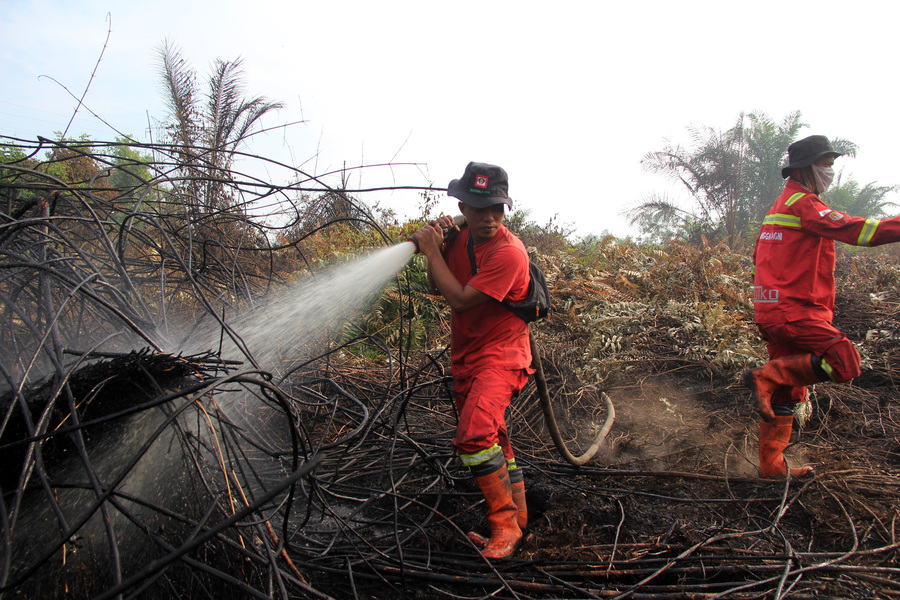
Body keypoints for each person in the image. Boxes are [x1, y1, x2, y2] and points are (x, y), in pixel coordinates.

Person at [744, 134, 900, 478]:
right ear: (805, 168)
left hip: (773, 310)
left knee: (788, 391)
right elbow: (858, 231)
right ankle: (765, 375)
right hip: (796, 311)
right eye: (827, 164)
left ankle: (772, 468)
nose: (831, 171)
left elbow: (761, 259)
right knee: (845, 362)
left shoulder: (779, 208)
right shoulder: (804, 203)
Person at [411, 161, 532, 559]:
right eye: (480, 209)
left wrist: (431, 249)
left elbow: (460, 300)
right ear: (463, 208)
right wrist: (438, 245)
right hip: (467, 356)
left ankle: (505, 528)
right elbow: (436, 281)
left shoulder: (510, 254)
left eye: (497, 208)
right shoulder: (460, 238)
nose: (490, 218)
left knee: (475, 437)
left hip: (502, 355)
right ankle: (521, 517)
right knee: (492, 434)